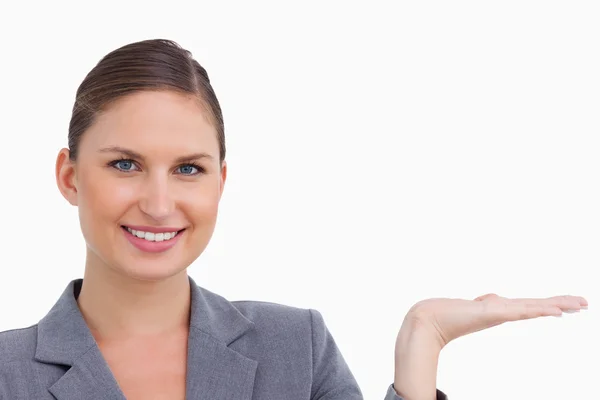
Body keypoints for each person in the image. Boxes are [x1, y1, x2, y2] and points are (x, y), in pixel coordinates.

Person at [0, 39, 587, 400]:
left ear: (221, 183)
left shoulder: (295, 348)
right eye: (126, 164)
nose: (158, 203)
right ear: (70, 176)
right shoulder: (8, 372)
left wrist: (420, 346)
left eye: (188, 169)